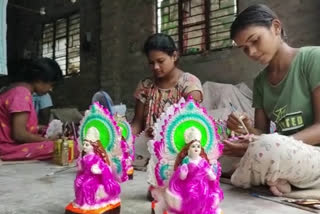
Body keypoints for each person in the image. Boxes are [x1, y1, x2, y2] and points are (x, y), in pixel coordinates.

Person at [224, 4, 320, 196]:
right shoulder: (260, 82)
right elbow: (261, 132)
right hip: (280, 153)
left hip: (314, 154)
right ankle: (278, 178)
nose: (251, 52)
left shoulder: (313, 58)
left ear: (276, 27)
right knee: (224, 153)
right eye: (244, 48)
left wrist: (270, 143)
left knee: (265, 150)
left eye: (255, 40)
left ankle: (268, 176)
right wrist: (246, 130)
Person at [131, 33, 204, 200]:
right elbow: (137, 122)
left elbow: (191, 125)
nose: (155, 67)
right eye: (151, 63)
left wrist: (161, 132)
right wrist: (125, 139)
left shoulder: (189, 84)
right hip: (149, 145)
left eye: (160, 61)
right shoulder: (146, 85)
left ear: (174, 56)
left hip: (177, 147)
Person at [0, 57, 63, 161]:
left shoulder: (14, 89)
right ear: (38, 80)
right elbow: (19, 135)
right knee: (63, 147)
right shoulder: (21, 94)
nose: (51, 89)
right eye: (51, 85)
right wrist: (47, 141)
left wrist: (39, 128)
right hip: (7, 147)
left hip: (5, 144)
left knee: (57, 142)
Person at [165, 127, 222, 214]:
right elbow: (182, 176)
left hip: (202, 183)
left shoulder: (203, 161)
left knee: (205, 194)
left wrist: (210, 175)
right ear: (188, 150)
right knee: (192, 195)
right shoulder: (186, 160)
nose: (196, 148)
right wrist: (183, 173)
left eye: (198, 146)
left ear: (201, 149)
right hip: (190, 183)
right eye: (193, 146)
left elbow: (211, 175)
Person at [74, 127, 121, 209]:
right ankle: (80, 202)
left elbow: (104, 167)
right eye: (84, 144)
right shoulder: (84, 157)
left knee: (85, 185)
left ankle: (89, 202)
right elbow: (82, 169)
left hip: (94, 178)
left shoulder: (96, 158)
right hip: (86, 175)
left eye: (87, 145)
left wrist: (98, 170)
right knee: (77, 182)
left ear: (93, 146)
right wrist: (80, 167)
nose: (84, 147)